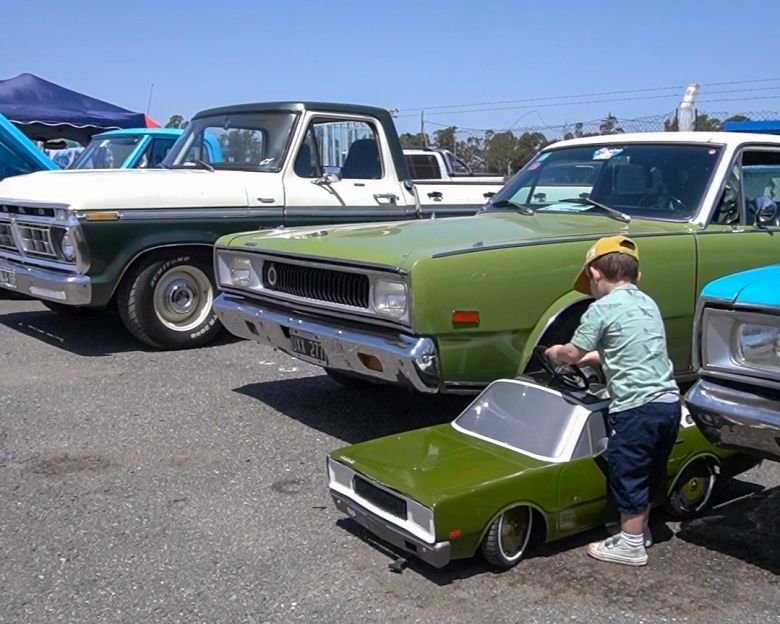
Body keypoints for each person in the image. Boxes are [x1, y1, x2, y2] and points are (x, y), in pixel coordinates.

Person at [545, 235, 680, 567]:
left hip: (637, 407)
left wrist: (555, 352)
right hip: (668, 403)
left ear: (594, 274)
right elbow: (620, 350)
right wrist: (591, 359)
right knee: (650, 470)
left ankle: (631, 545)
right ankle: (640, 530)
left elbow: (573, 352)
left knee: (627, 470)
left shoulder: (601, 308)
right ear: (637, 276)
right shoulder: (647, 303)